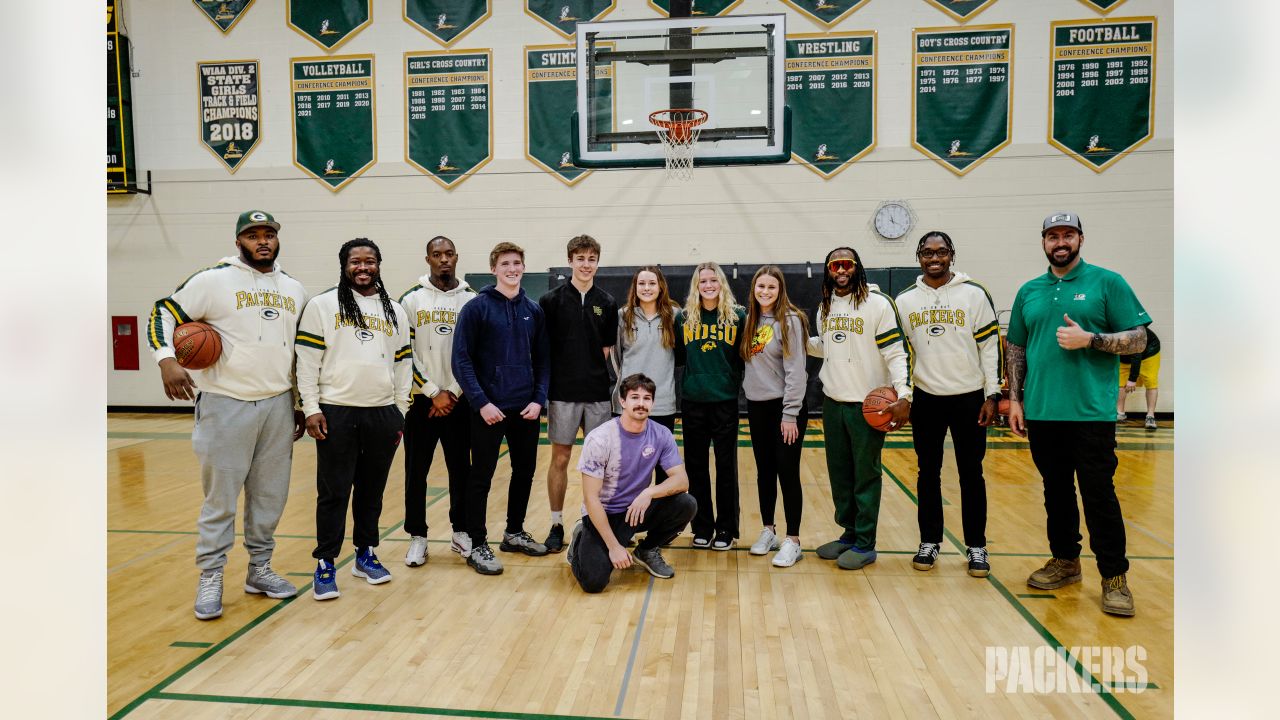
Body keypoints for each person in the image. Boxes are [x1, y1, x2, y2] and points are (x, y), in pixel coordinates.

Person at [148, 209, 308, 620]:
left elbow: (297, 353)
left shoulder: (293, 288)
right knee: (220, 500)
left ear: (277, 239)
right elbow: (163, 311)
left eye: (268, 234)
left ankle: (259, 569)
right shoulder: (212, 279)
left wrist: (297, 403)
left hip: (276, 402)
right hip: (224, 401)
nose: (262, 241)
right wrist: (167, 359)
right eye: (253, 235)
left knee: (269, 496)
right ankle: (211, 575)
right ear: (239, 241)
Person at [1006, 212, 1151, 617]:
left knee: (1099, 495)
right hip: (1043, 411)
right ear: (1044, 243)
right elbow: (1016, 348)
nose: (1060, 242)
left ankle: (1115, 579)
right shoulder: (1029, 291)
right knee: (1056, 493)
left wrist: (1092, 339)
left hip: (1091, 414)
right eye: (1053, 236)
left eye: (1068, 234)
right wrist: (1016, 399)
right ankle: (1066, 561)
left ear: (1081, 239)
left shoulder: (1108, 282)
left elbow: (1141, 338)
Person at [296, 238, 412, 601]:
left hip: (382, 413)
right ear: (344, 265)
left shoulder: (394, 309)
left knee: (371, 490)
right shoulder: (322, 305)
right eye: (355, 262)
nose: (363, 268)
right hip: (336, 410)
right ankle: (326, 562)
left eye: (370, 261)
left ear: (379, 264)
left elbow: (404, 362)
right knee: (333, 491)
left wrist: (400, 410)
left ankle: (365, 553)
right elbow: (306, 362)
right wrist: (312, 407)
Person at [895, 231, 1002, 578]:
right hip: (926, 397)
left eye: (941, 252)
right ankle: (929, 541)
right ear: (919, 257)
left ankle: (976, 546)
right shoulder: (905, 300)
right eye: (927, 252)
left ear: (952, 255)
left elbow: (990, 347)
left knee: (972, 474)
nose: (934, 258)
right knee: (928, 474)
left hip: (969, 397)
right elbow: (897, 353)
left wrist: (992, 394)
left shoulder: (974, 294)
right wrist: (904, 395)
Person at [808, 247, 912, 570]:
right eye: (835, 265)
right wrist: (795, 338)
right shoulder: (825, 307)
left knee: (865, 475)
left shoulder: (879, 304)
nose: (841, 270)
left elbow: (896, 352)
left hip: (868, 406)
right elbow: (826, 348)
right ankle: (849, 534)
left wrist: (904, 394)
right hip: (833, 402)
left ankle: (866, 542)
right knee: (840, 474)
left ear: (857, 268)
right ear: (828, 270)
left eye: (847, 264)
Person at [452, 242, 551, 575]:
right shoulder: (476, 308)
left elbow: (544, 361)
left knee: (524, 473)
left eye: (518, 263)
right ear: (493, 268)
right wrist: (481, 402)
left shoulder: (533, 310)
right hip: (488, 410)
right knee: (481, 477)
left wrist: (539, 399)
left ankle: (514, 532)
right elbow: (461, 360)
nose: (512, 269)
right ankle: (477, 543)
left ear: (524, 268)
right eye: (506, 264)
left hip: (525, 408)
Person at [567, 374, 697, 593]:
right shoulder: (601, 438)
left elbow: (682, 480)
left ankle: (646, 550)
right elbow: (591, 498)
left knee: (686, 504)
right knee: (594, 582)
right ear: (623, 401)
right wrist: (614, 547)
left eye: (647, 398)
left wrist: (649, 493)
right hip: (603, 514)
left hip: (636, 510)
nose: (641, 403)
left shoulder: (661, 434)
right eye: (634, 397)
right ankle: (580, 539)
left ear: (653, 403)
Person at [398, 236, 476, 566]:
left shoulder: (472, 300)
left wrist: (453, 392)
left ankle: (461, 531)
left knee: (462, 470)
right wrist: (433, 391)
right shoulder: (410, 300)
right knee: (416, 472)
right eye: (436, 254)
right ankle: (418, 536)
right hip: (422, 403)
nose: (443, 259)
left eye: (448, 254)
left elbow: (476, 353)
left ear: (456, 257)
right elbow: (404, 353)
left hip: (459, 402)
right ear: (427, 259)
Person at [539, 235, 618, 553]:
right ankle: (556, 523)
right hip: (562, 394)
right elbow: (544, 350)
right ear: (570, 260)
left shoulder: (607, 302)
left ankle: (597, 521)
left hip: (597, 394)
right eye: (580, 258)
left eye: (592, 258)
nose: (586, 264)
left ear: (598, 262)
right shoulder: (550, 301)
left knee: (601, 463)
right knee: (560, 458)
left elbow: (604, 350)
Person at [740, 266, 810, 568]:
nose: (765, 292)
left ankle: (793, 540)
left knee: (787, 471)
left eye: (771, 287)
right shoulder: (749, 320)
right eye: (760, 287)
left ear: (780, 290)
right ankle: (768, 530)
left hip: (785, 409)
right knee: (764, 471)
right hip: (757, 407)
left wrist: (790, 414)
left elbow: (797, 370)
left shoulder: (791, 320)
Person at [677, 262, 746, 550]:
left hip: (725, 401)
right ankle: (702, 527)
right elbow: (681, 357)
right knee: (695, 468)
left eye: (713, 280)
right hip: (693, 401)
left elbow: (743, 356)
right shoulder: (684, 318)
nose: (708, 285)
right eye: (702, 280)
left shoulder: (738, 316)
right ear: (696, 285)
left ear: (721, 284)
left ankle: (726, 529)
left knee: (725, 467)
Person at [613, 266, 681, 481]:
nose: (647, 288)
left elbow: (680, 356)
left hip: (662, 403)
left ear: (661, 287)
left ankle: (660, 515)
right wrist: (623, 389)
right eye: (641, 283)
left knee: (664, 469)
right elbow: (615, 356)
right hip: (629, 405)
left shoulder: (674, 315)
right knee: (630, 469)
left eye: (652, 283)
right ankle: (628, 515)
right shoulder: (623, 316)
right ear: (635, 287)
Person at [1117, 326, 1161, 430]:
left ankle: (1150, 416)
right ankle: (1120, 413)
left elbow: (1136, 355)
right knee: (1120, 381)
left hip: (1149, 351)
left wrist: (1132, 379)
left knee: (1150, 381)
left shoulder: (1132, 330)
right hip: (1124, 354)